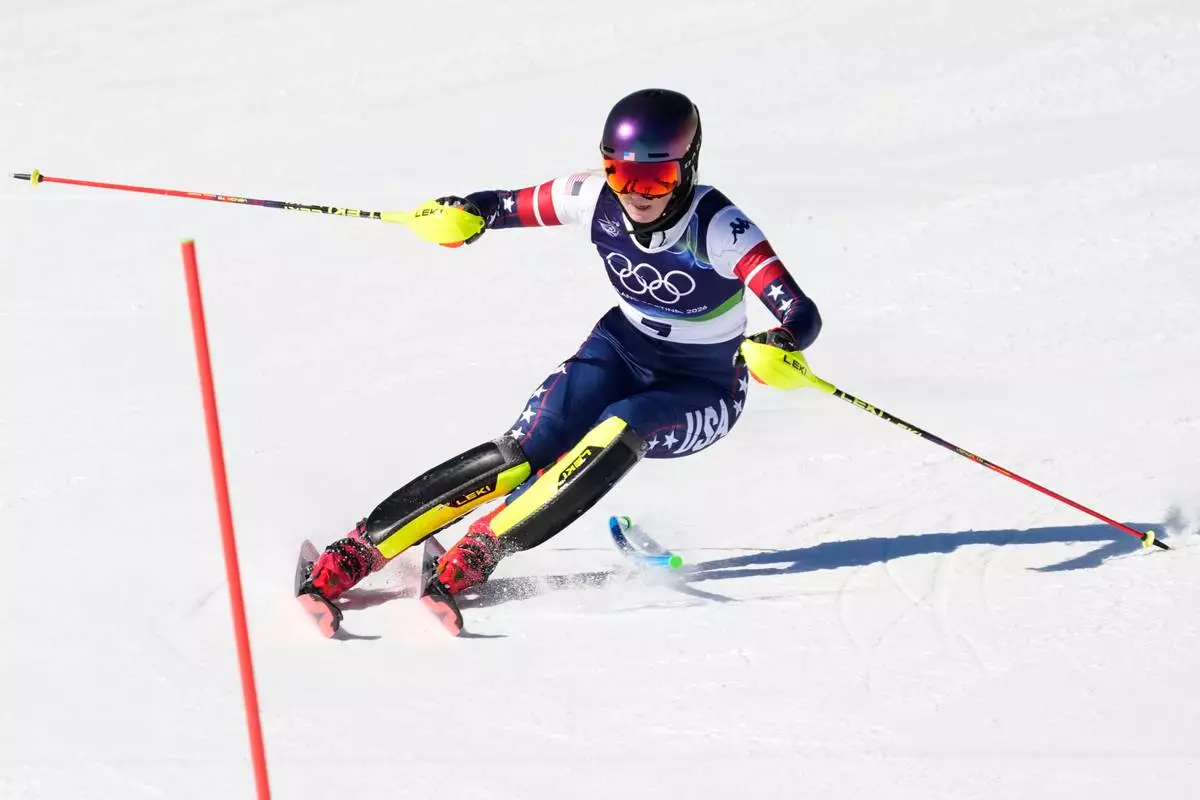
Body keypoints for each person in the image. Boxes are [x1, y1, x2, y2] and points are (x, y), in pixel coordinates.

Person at [299, 88, 822, 608]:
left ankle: (482, 549)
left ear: (687, 168)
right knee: (525, 450)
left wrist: (781, 341)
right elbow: (500, 206)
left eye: (656, 177)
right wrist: (463, 216)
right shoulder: (594, 197)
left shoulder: (720, 228)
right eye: (620, 173)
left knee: (622, 425)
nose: (637, 193)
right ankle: (358, 550)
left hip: (704, 386)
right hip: (622, 348)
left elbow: (801, 312)